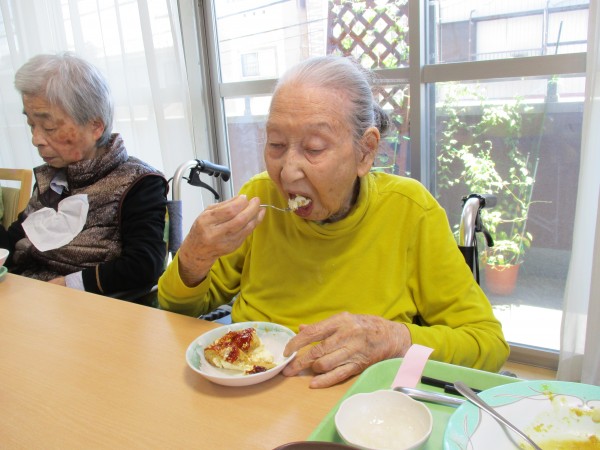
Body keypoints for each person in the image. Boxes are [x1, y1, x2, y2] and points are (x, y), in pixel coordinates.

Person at [158, 55, 509, 388]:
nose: (288, 172)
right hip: (250, 394)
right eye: (276, 144)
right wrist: (193, 258)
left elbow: (488, 345)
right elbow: (177, 310)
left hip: (360, 407)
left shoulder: (410, 211)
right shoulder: (259, 197)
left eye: (313, 148)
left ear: (365, 151)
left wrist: (395, 338)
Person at [0, 53, 168, 297]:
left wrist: (69, 284)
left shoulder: (138, 182)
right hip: (28, 296)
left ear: (95, 126)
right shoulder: (53, 178)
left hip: (82, 307)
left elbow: (144, 265)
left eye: (48, 127)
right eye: (31, 125)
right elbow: (15, 240)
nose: (36, 139)